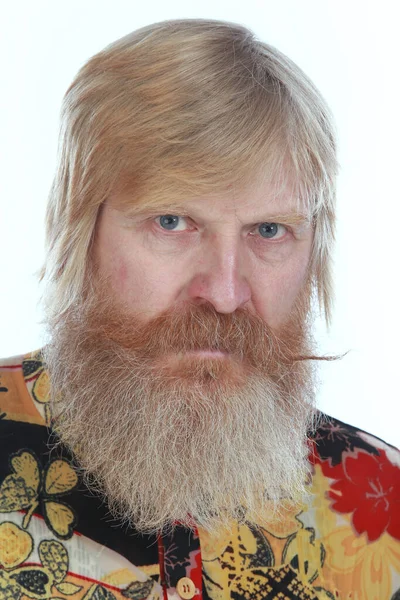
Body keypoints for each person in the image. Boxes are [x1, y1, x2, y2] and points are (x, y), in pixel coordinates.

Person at [0, 18, 399, 600]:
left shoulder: (383, 510)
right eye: (172, 222)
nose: (225, 292)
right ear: (79, 231)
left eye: (269, 230)